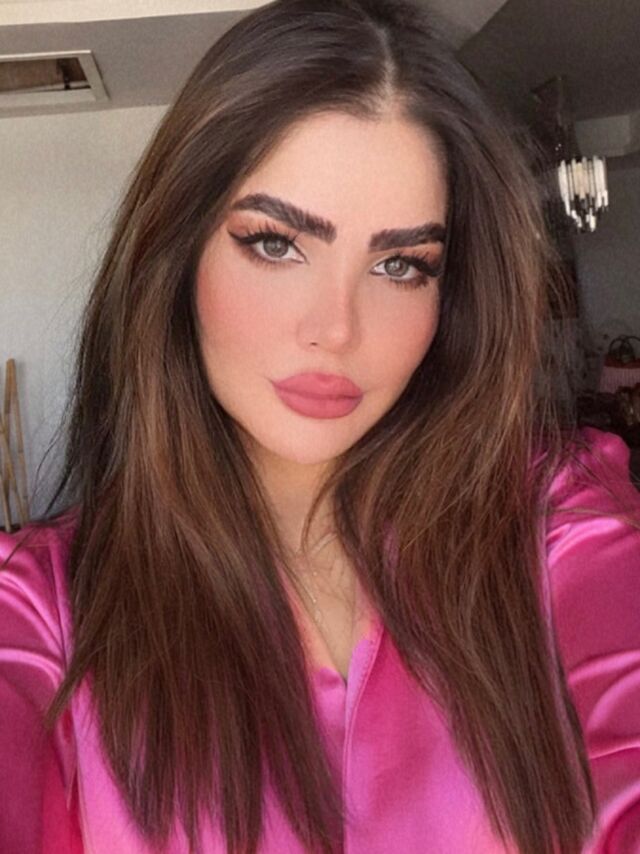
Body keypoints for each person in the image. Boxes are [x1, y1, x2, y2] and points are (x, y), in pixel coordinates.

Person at [1, 0, 639, 851]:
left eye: (400, 264)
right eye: (276, 244)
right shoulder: (43, 606)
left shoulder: (555, 516)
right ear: (175, 254)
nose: (336, 329)